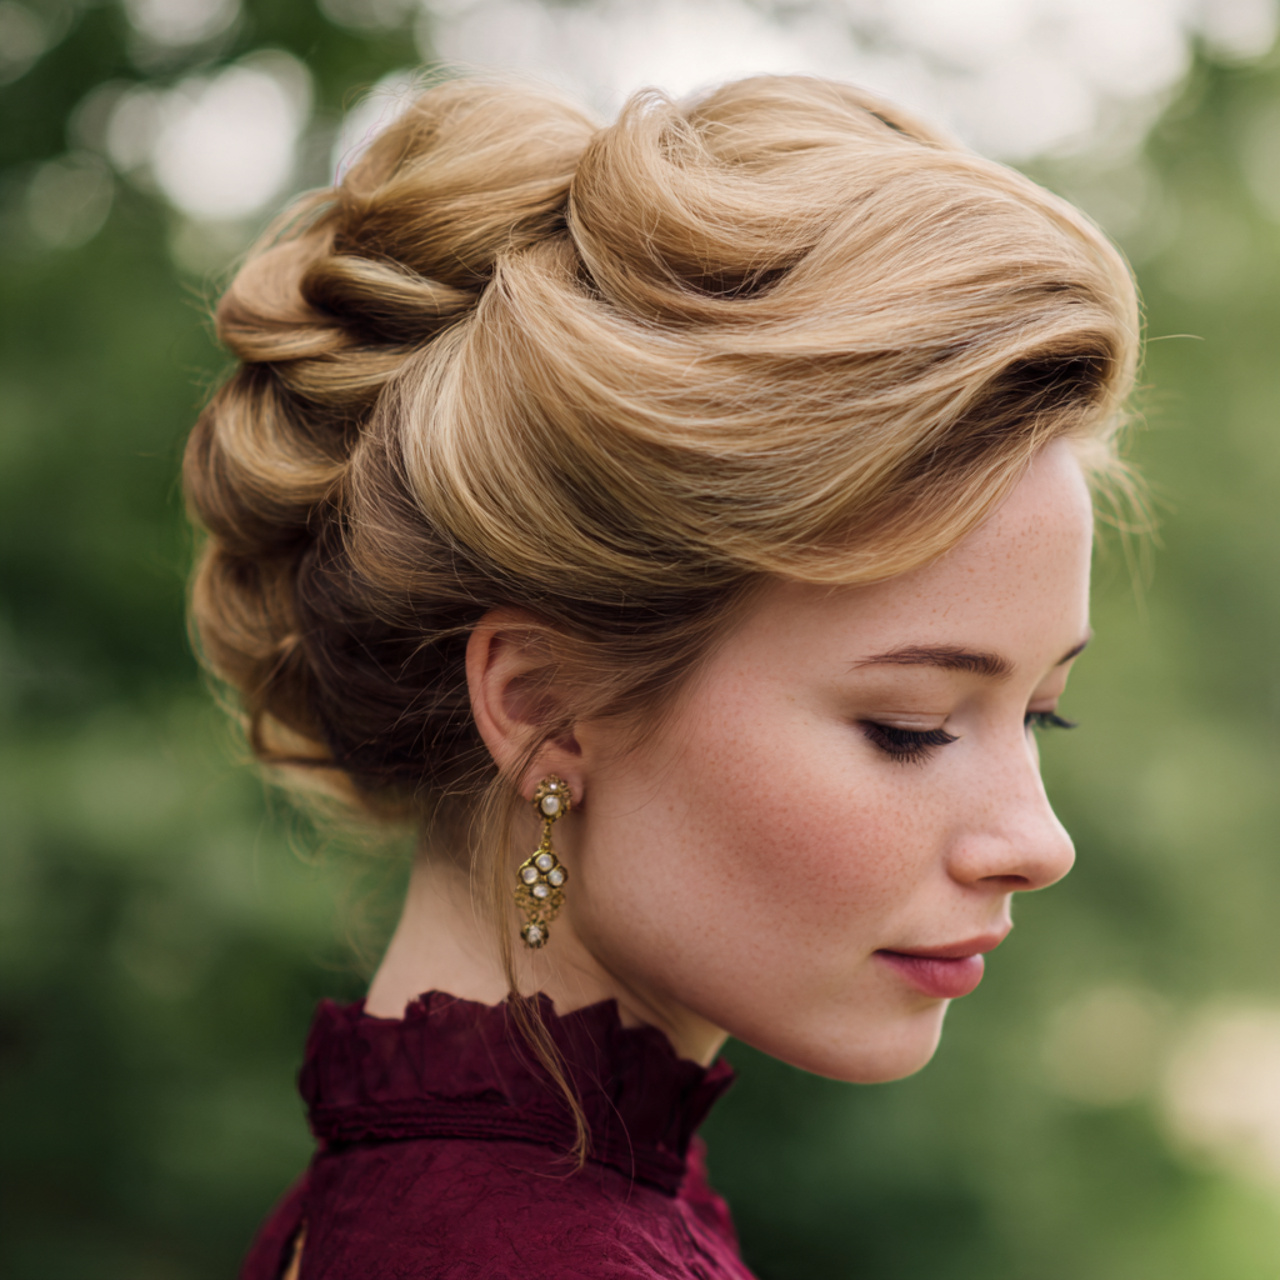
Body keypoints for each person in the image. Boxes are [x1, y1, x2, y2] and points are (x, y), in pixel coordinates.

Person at [183, 71, 1139, 1279]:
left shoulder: (444, 1201)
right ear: (540, 708)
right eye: (909, 725)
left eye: (1040, 711)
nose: (1036, 841)